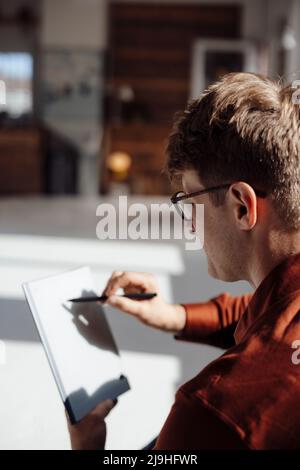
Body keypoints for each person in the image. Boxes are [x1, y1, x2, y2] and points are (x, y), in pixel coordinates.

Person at [67, 73, 300, 450]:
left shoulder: (213, 413)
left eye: (191, 202)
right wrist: (174, 315)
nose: (190, 223)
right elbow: (266, 316)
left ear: (242, 206)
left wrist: (88, 443)